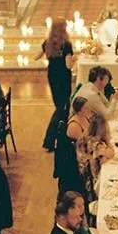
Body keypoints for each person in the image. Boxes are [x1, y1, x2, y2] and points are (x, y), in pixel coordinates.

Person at [42, 18, 76, 151]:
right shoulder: (66, 45)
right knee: (62, 108)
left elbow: (37, 56)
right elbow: (68, 66)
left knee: (60, 107)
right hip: (63, 78)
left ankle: (59, 138)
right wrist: (74, 58)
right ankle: (49, 140)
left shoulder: (48, 43)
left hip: (52, 76)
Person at [66, 95, 112, 187]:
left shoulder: (86, 117)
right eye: (86, 108)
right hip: (85, 165)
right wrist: (104, 146)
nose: (89, 109)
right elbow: (86, 145)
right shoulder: (74, 125)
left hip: (91, 154)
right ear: (79, 110)